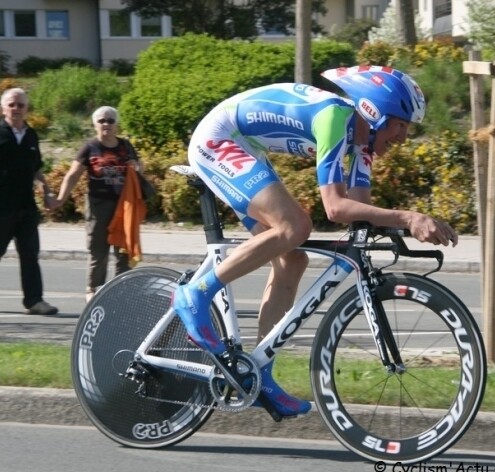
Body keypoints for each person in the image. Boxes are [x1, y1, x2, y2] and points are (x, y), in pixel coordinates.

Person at [174, 65, 459, 417]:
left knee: (293, 258)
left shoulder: (363, 146)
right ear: (374, 111)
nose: (403, 136)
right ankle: (196, 293)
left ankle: (258, 372)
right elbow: (336, 207)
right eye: (401, 124)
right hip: (218, 140)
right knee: (295, 227)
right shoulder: (334, 119)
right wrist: (407, 217)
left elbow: (361, 210)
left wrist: (413, 223)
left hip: (245, 147)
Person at [50, 106, 143, 302]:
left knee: (123, 251)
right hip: (98, 206)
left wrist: (137, 168)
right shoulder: (90, 148)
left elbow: (138, 169)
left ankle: (122, 290)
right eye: (101, 121)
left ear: (116, 124)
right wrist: (60, 199)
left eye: (110, 120)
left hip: (124, 207)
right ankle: (93, 289)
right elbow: (73, 175)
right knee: (98, 251)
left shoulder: (125, 146)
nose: (106, 124)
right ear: (95, 125)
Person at [0, 88, 58, 315]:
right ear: (3, 108)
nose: (16, 109)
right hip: (1, 207)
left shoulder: (31, 135)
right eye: (12, 104)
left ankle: (35, 301)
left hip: (26, 207)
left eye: (21, 105)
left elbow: (36, 169)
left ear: (26, 109)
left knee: (30, 254)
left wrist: (47, 192)